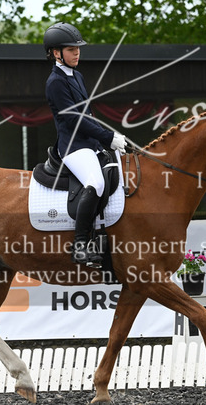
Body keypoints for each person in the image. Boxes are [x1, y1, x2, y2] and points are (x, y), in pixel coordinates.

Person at [43, 21, 127, 267]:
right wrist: (107, 137)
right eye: (71, 49)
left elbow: (88, 115)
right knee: (96, 182)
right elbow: (74, 120)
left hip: (90, 143)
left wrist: (107, 137)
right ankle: (80, 246)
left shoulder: (77, 76)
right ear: (56, 53)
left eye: (78, 48)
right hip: (73, 146)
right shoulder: (55, 82)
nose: (77, 53)